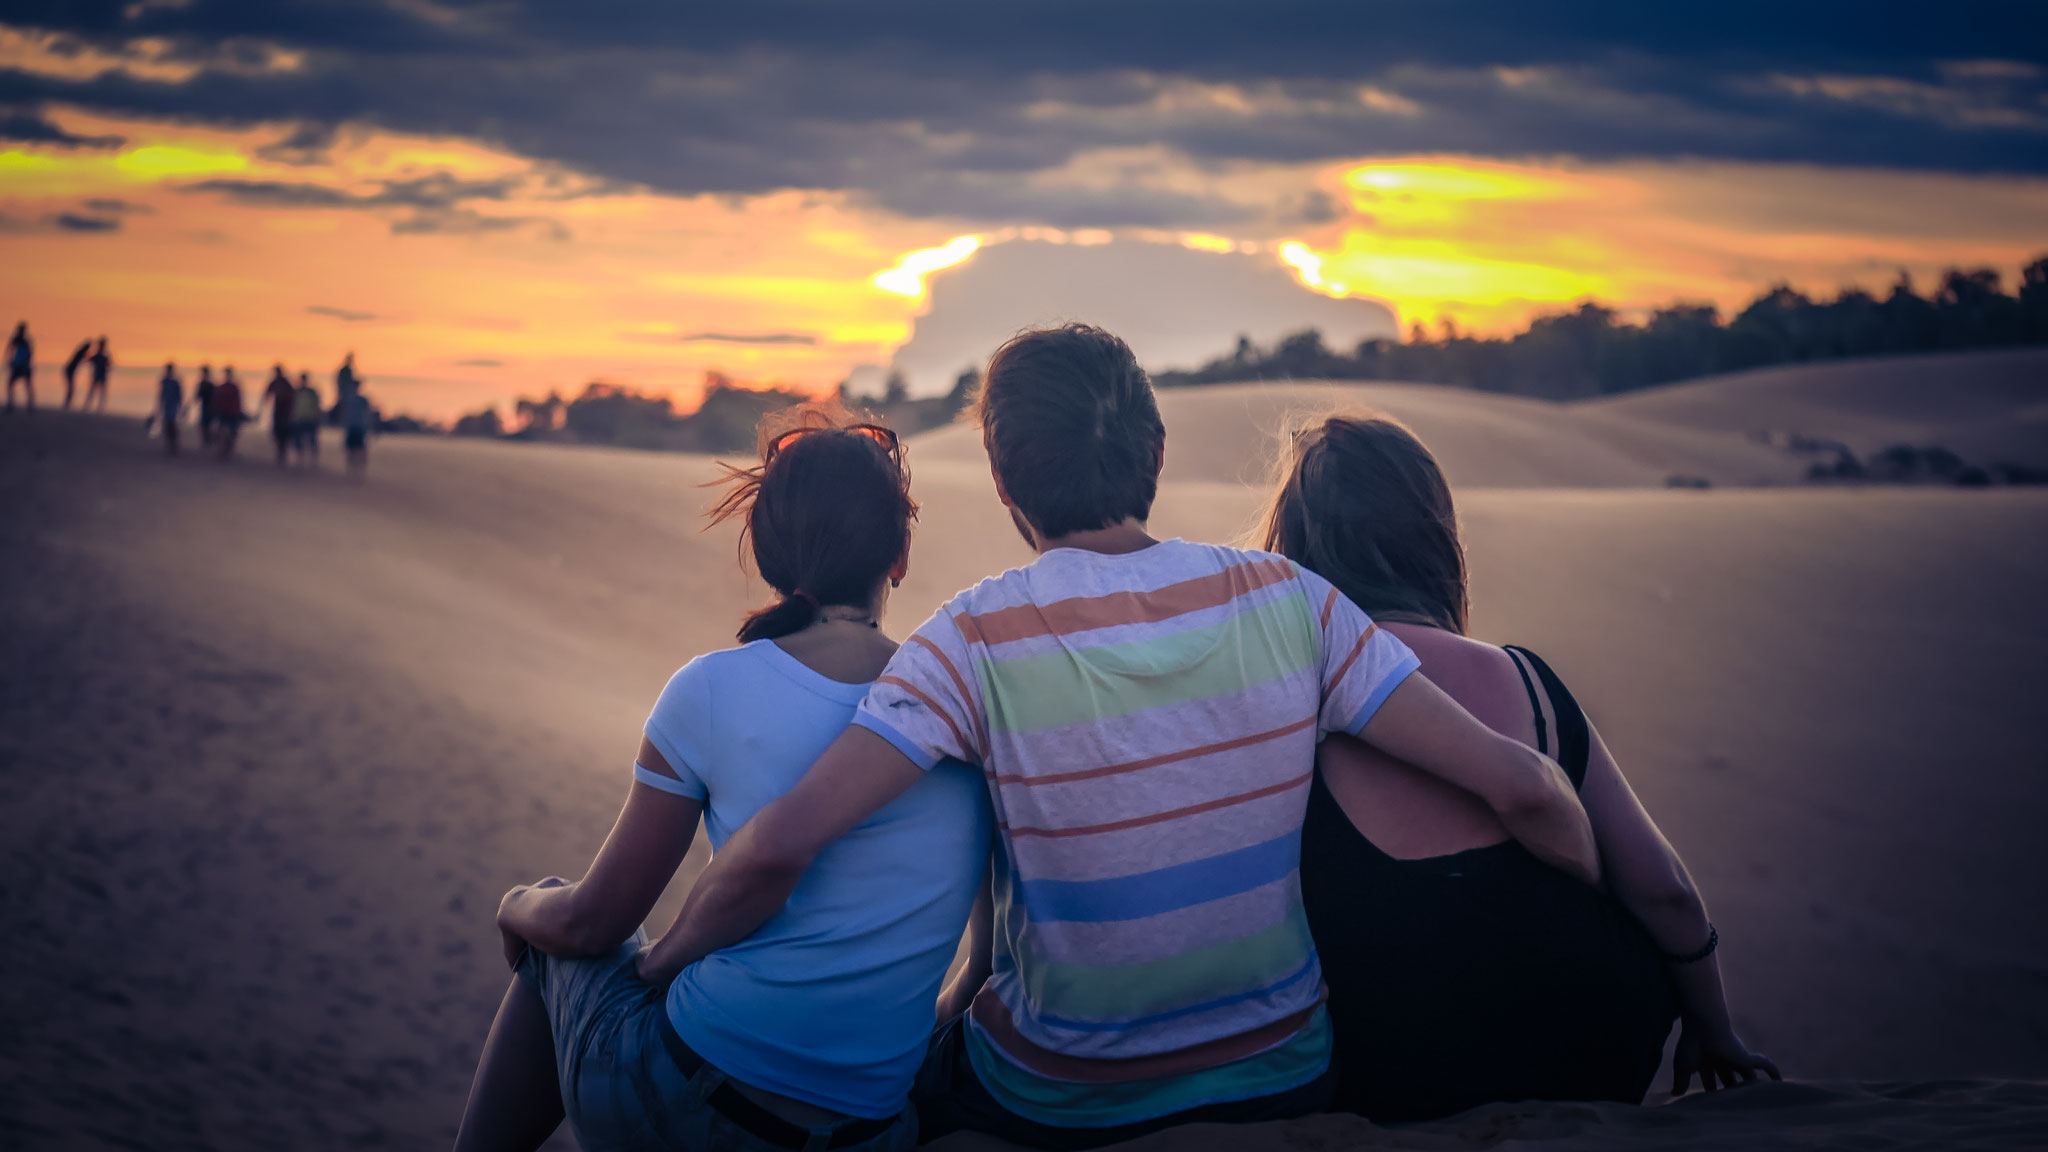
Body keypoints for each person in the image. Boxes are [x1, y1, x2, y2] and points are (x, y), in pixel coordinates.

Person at [636, 324, 1600, 1151]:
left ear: (1006, 482)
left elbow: (783, 841)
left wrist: (657, 968)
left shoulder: (967, 640)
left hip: (1057, 1100)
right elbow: (1528, 790)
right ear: (1158, 451)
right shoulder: (1294, 600)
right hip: (1284, 1079)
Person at [456, 404, 990, 1152]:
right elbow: (980, 975)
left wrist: (517, 906)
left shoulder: (710, 691)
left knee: (556, 929)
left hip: (687, 1103)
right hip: (870, 1132)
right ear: (897, 555)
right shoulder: (962, 706)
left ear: (770, 555)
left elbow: (594, 924)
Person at [1261, 413, 1780, 1121]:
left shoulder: (1289, 703)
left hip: (1385, 1061)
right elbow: (1667, 894)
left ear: (1293, 545)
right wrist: (1716, 1031)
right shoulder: (1528, 684)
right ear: (1435, 538)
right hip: (1584, 1048)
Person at [263, 364, 296, 466]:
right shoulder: (280, 382)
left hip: (285, 412)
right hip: (280, 412)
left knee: (283, 434)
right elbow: (267, 394)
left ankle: (282, 454)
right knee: (279, 434)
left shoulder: (284, 383)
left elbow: (267, 395)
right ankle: (280, 454)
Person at [213, 366, 245, 460]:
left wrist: (239, 412)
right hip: (224, 413)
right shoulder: (222, 387)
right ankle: (222, 452)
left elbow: (238, 401)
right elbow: (216, 400)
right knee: (222, 433)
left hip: (232, 413)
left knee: (231, 434)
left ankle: (227, 452)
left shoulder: (233, 387)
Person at [342, 388, 373, 479]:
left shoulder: (360, 400)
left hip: (359, 427)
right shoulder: (350, 399)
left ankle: (358, 471)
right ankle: (352, 471)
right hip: (353, 427)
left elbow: (367, 413)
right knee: (352, 450)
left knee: (359, 450)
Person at [292, 372, 322, 464]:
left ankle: (313, 460)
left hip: (310, 418)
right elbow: (293, 405)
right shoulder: (297, 391)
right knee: (299, 440)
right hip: (300, 418)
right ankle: (299, 459)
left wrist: (318, 417)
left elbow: (317, 405)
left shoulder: (311, 392)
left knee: (312, 440)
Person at [154, 362, 183, 455]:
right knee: (167, 426)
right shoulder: (165, 381)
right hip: (167, 406)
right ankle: (170, 446)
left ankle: (174, 446)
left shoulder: (175, 382)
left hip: (173, 407)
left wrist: (180, 407)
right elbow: (161, 394)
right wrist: (159, 406)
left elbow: (179, 396)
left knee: (172, 426)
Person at [6, 322, 32, 410]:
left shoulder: (25, 341)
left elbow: (29, 354)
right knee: (11, 384)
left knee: (27, 386)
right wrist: (10, 362)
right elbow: (10, 351)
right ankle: (11, 404)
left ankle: (29, 405)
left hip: (22, 366)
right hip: (19, 365)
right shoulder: (18, 340)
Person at [64, 339, 91, 409]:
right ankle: (67, 404)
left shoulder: (80, 351)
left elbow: (86, 358)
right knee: (71, 388)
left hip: (70, 370)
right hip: (70, 370)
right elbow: (87, 358)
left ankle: (67, 404)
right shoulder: (81, 352)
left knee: (71, 388)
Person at [86, 337, 111, 412]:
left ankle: (99, 407)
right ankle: (91, 406)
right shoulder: (100, 353)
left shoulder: (104, 353)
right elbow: (90, 360)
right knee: (94, 391)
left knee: (99, 391)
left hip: (101, 374)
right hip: (98, 374)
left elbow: (108, 364)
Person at [195, 365, 217, 445]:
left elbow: (197, 396)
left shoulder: (206, 384)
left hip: (208, 408)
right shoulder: (208, 383)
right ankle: (208, 440)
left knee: (206, 425)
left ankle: (207, 441)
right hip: (208, 407)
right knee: (206, 425)